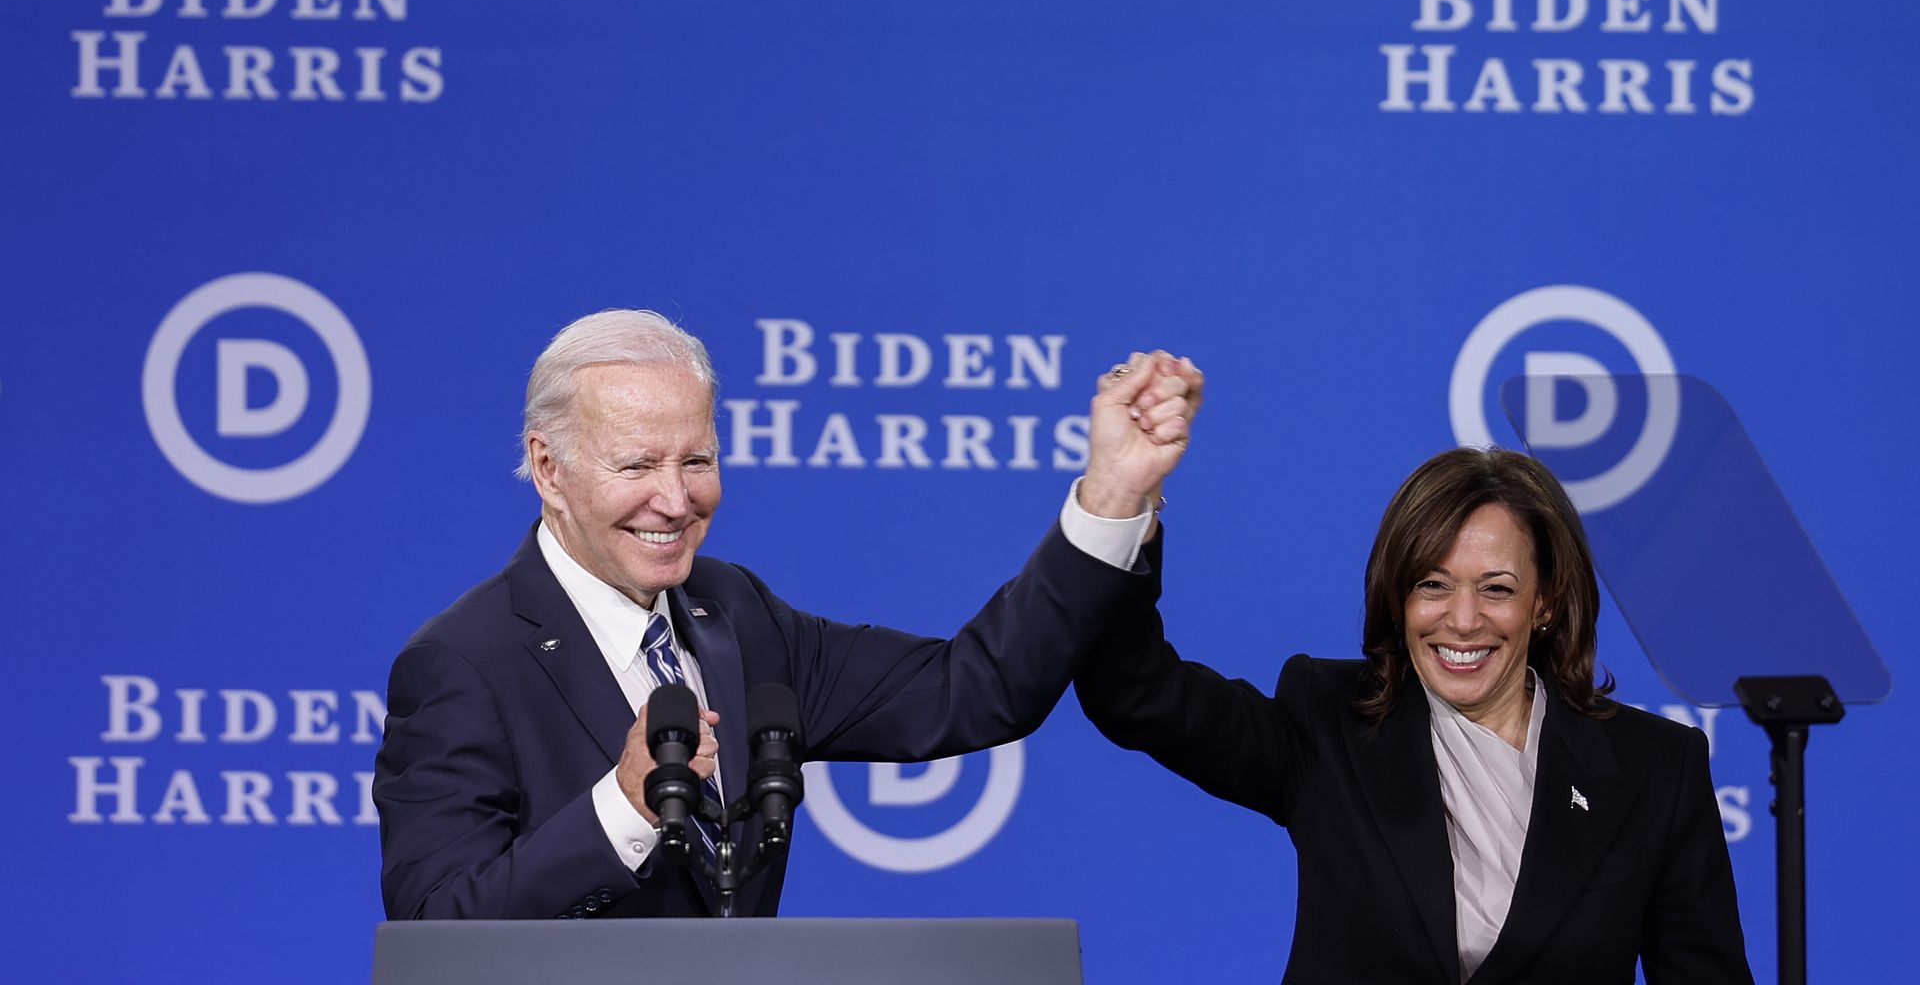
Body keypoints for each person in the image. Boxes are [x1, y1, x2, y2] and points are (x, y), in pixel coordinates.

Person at [374, 309, 1202, 919]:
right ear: (548, 469)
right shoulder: (465, 663)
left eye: (697, 459)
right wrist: (621, 808)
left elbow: (973, 688)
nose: (676, 498)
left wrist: (1114, 495)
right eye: (637, 464)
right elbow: (433, 930)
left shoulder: (734, 612)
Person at [1073, 447, 1753, 984]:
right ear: (1397, 594)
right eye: (1433, 584)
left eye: (1497, 589)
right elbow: (1133, 692)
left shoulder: (1654, 769)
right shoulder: (1328, 721)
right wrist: (1123, 502)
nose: (1462, 620)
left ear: (1544, 603)